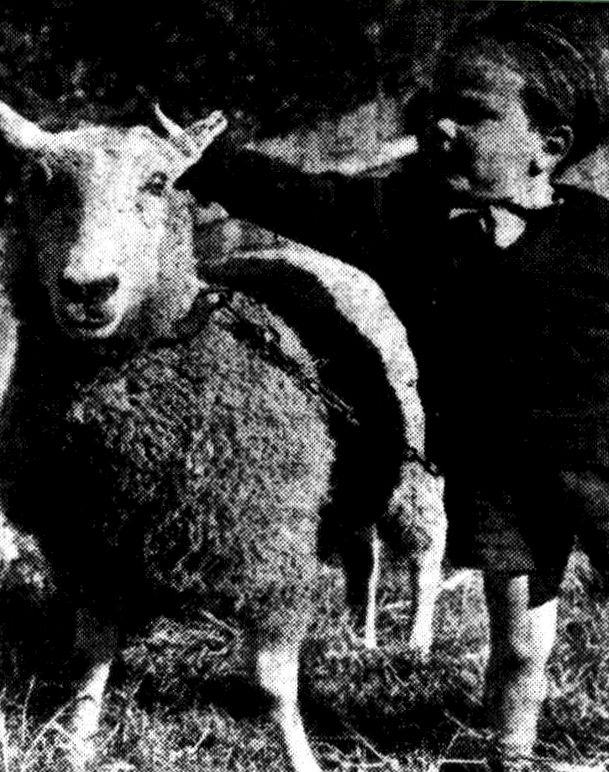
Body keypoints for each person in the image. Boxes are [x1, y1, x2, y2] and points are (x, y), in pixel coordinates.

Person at [175, 9, 609, 771]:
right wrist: (205, 161)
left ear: (548, 147)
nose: (439, 126)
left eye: (471, 113)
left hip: (603, 459)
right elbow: (301, 199)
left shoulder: (599, 235)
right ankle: (511, 753)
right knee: (518, 642)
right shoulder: (407, 227)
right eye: (433, 108)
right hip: (502, 476)